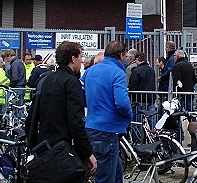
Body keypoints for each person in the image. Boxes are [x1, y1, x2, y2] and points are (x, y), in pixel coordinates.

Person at [25, 41, 97, 178]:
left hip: (45, 148)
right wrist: (88, 153)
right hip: (65, 151)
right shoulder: (71, 82)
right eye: (80, 57)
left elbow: (32, 117)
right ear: (73, 58)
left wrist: (33, 145)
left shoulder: (45, 80)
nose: (81, 61)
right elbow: (76, 123)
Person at [81, 41, 132, 183]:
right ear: (121, 55)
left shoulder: (90, 71)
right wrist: (128, 117)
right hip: (108, 130)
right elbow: (122, 103)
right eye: (125, 55)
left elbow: (80, 93)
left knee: (116, 170)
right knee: (105, 177)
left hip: (91, 126)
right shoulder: (118, 73)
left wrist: (91, 104)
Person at [129, 52, 157, 130]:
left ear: (138, 60)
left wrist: (131, 96)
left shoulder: (136, 71)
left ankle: (138, 139)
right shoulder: (151, 70)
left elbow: (132, 86)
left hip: (139, 99)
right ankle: (155, 136)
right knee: (152, 120)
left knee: (138, 121)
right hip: (151, 98)